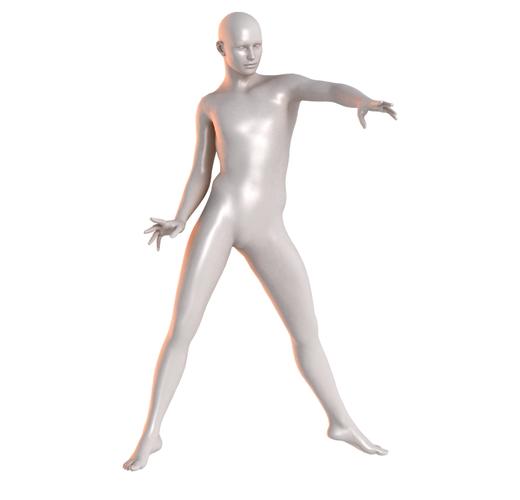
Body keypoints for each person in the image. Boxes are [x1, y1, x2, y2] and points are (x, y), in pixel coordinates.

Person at [123, 11, 396, 471]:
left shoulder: (284, 88)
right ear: (221, 49)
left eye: (257, 45)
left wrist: (362, 100)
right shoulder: (211, 104)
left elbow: (329, 89)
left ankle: (340, 422)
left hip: (267, 226)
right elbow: (201, 170)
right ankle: (152, 432)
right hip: (222, 216)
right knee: (182, 328)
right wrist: (181, 218)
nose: (251, 55)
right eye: (241, 47)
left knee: (306, 332)